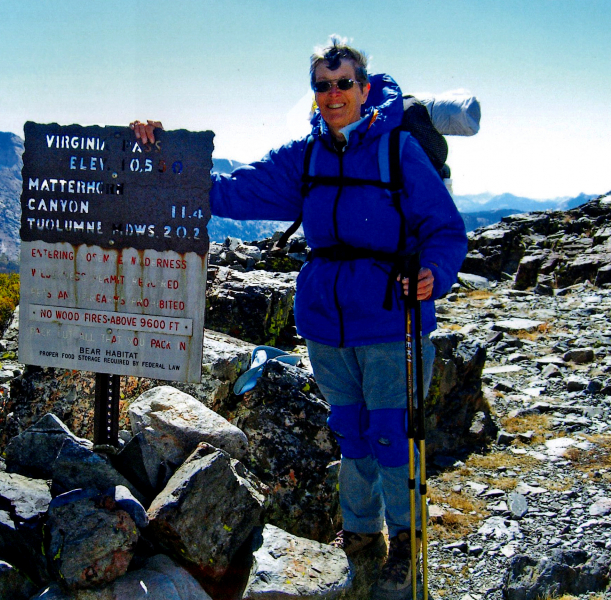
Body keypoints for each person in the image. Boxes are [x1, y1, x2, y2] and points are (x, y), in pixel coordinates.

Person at [132, 35, 467, 600]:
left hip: (390, 319)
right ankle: (362, 540)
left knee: (392, 436)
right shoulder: (305, 157)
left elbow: (444, 227)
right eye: (322, 86)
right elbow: (229, 192)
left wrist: (435, 270)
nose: (333, 94)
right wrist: (160, 155)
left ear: (363, 89)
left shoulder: (397, 151)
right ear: (314, 95)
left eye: (343, 84)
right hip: (326, 322)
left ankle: (407, 547)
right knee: (351, 434)